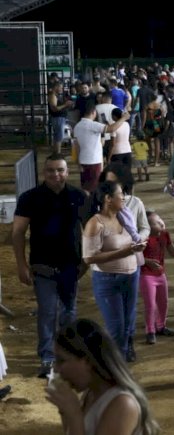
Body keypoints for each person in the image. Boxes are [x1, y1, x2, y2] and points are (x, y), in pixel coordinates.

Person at [12, 154, 88, 378]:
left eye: (61, 170)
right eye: (51, 170)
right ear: (44, 173)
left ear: (67, 171)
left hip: (71, 266)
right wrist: (21, 264)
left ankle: (67, 354)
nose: (56, 174)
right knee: (47, 312)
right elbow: (17, 232)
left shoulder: (79, 196)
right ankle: (47, 356)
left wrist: (86, 260)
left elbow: (93, 230)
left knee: (68, 312)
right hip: (42, 266)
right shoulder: (30, 198)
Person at [45, 318, 160, 435]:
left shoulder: (122, 404)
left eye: (61, 360)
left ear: (88, 361)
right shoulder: (91, 394)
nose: (56, 369)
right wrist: (65, 411)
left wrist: (74, 414)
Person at [82, 181, 146, 360]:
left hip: (131, 276)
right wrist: (127, 251)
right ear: (108, 199)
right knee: (116, 328)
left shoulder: (125, 216)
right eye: (120, 194)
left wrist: (137, 247)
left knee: (128, 324)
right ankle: (115, 368)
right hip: (107, 281)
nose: (124, 197)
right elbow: (89, 257)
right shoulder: (95, 223)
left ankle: (121, 364)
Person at [141, 211, 174, 345]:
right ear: (148, 227)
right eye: (156, 222)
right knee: (150, 305)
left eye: (160, 219)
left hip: (161, 275)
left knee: (163, 302)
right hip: (146, 276)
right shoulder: (143, 239)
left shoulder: (165, 234)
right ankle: (150, 331)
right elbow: (135, 256)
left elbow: (172, 251)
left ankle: (161, 326)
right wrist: (147, 261)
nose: (161, 222)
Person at [74, 101, 129, 193]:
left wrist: (78, 162)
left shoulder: (77, 126)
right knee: (95, 188)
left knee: (85, 187)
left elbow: (76, 147)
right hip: (94, 161)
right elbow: (111, 129)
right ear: (93, 112)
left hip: (83, 161)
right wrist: (123, 118)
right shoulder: (92, 125)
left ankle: (87, 205)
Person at [48, 81, 73, 154]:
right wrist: (65, 105)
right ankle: (57, 153)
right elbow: (54, 108)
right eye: (61, 87)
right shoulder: (53, 95)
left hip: (60, 118)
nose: (62, 89)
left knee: (59, 136)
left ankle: (57, 153)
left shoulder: (56, 95)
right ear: (56, 87)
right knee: (59, 137)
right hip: (57, 118)